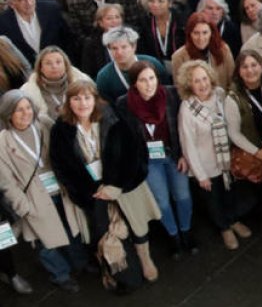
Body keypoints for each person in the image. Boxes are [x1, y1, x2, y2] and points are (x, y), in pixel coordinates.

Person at [48, 79, 161, 283]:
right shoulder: (60, 130)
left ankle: (145, 258)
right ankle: (117, 266)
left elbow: (134, 151)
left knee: (137, 224)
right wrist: (89, 192)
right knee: (107, 232)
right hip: (93, 192)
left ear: (95, 99)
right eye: (76, 98)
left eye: (87, 97)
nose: (83, 103)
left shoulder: (114, 117)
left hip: (122, 184)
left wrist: (117, 186)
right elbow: (62, 167)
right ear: (68, 102)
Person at [0, 90, 85, 293]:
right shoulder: (3, 142)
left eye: (28, 107)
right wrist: (24, 207)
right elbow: (6, 182)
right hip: (33, 200)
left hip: (59, 191)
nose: (25, 113)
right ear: (8, 113)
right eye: (18, 110)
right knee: (44, 242)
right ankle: (60, 275)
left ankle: (80, 263)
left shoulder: (44, 123)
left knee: (71, 229)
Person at [115, 61, 195, 258]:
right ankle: (173, 236)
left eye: (152, 78)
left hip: (173, 154)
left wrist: (184, 154)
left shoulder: (170, 94)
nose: (149, 84)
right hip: (149, 160)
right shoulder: (124, 103)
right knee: (162, 201)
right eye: (142, 80)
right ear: (134, 84)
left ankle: (186, 232)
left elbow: (182, 127)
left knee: (183, 196)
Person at [176, 60, 248, 251]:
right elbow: (188, 144)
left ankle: (232, 221)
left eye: (204, 78)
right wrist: (200, 175)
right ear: (189, 84)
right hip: (205, 165)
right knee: (213, 201)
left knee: (229, 194)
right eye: (196, 81)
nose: (202, 84)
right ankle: (224, 228)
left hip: (226, 160)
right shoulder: (187, 108)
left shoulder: (220, 95)